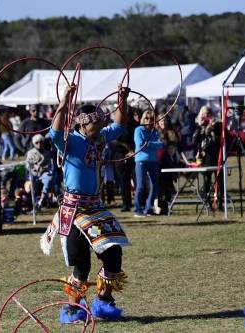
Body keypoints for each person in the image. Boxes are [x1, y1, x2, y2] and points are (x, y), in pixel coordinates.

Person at [42, 84, 130, 323]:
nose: (101, 127)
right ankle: (71, 309)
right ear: (82, 123)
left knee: (113, 252)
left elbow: (120, 126)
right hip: (73, 210)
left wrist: (122, 98)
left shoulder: (99, 138)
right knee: (81, 263)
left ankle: (103, 302)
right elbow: (54, 132)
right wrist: (64, 102)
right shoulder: (69, 141)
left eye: (101, 123)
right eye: (96, 123)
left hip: (95, 208)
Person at [192, 106, 223, 209]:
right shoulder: (198, 125)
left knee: (219, 179)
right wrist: (201, 128)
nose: (206, 115)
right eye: (204, 113)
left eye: (208, 113)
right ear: (201, 114)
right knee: (207, 180)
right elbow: (195, 139)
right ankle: (206, 199)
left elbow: (219, 140)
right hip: (205, 157)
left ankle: (220, 200)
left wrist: (213, 129)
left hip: (216, 155)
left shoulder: (217, 124)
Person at [134, 109, 163, 217]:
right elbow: (140, 144)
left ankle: (148, 208)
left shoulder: (154, 131)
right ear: (143, 119)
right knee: (140, 186)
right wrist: (152, 144)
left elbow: (160, 144)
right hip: (141, 161)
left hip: (153, 161)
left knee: (155, 186)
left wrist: (149, 143)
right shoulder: (138, 130)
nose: (149, 120)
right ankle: (137, 209)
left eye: (151, 118)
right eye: (147, 118)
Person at [26, 134, 53, 209]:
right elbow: (27, 165)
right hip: (33, 173)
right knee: (30, 185)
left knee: (49, 178)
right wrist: (35, 167)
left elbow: (50, 165)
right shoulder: (30, 153)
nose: (39, 144)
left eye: (41, 142)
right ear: (34, 143)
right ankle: (33, 203)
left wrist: (43, 168)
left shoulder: (47, 153)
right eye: (37, 142)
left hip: (43, 173)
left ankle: (41, 201)